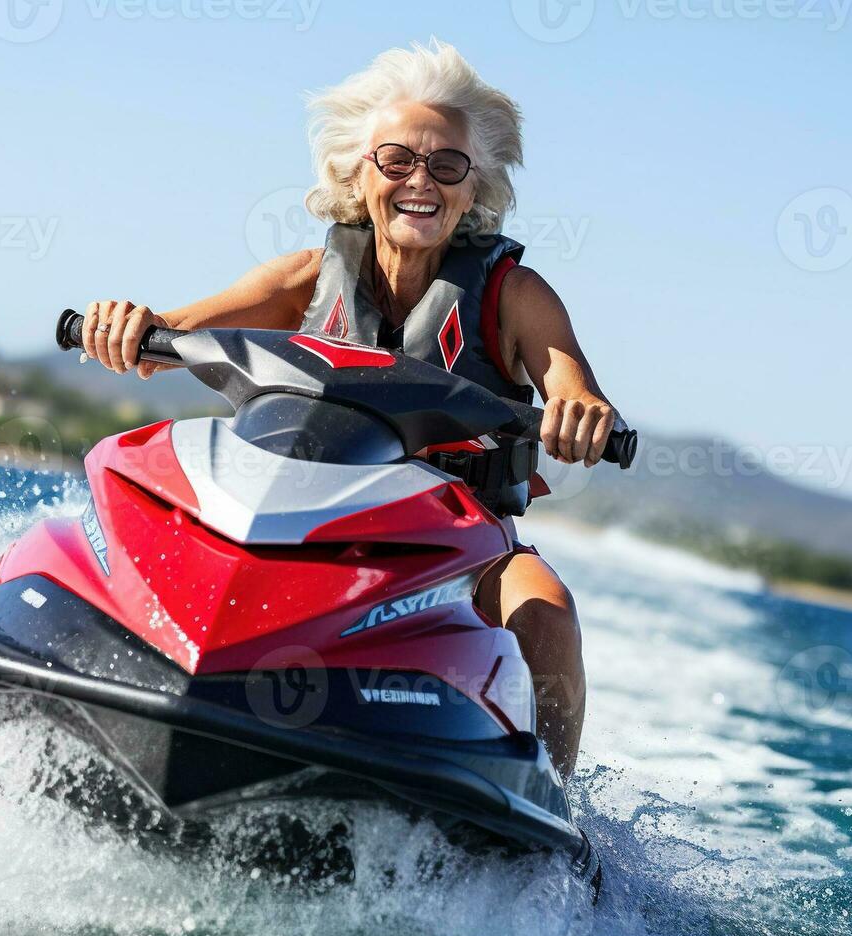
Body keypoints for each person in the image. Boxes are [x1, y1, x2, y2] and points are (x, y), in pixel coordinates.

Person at [80, 40, 618, 779]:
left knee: (548, 609)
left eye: (446, 165)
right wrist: (125, 322)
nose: (419, 181)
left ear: (474, 186)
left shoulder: (514, 294)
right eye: (396, 160)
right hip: (310, 515)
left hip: (461, 540)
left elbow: (571, 384)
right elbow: (162, 336)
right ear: (356, 174)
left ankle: (550, 804)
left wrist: (580, 410)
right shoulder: (305, 277)